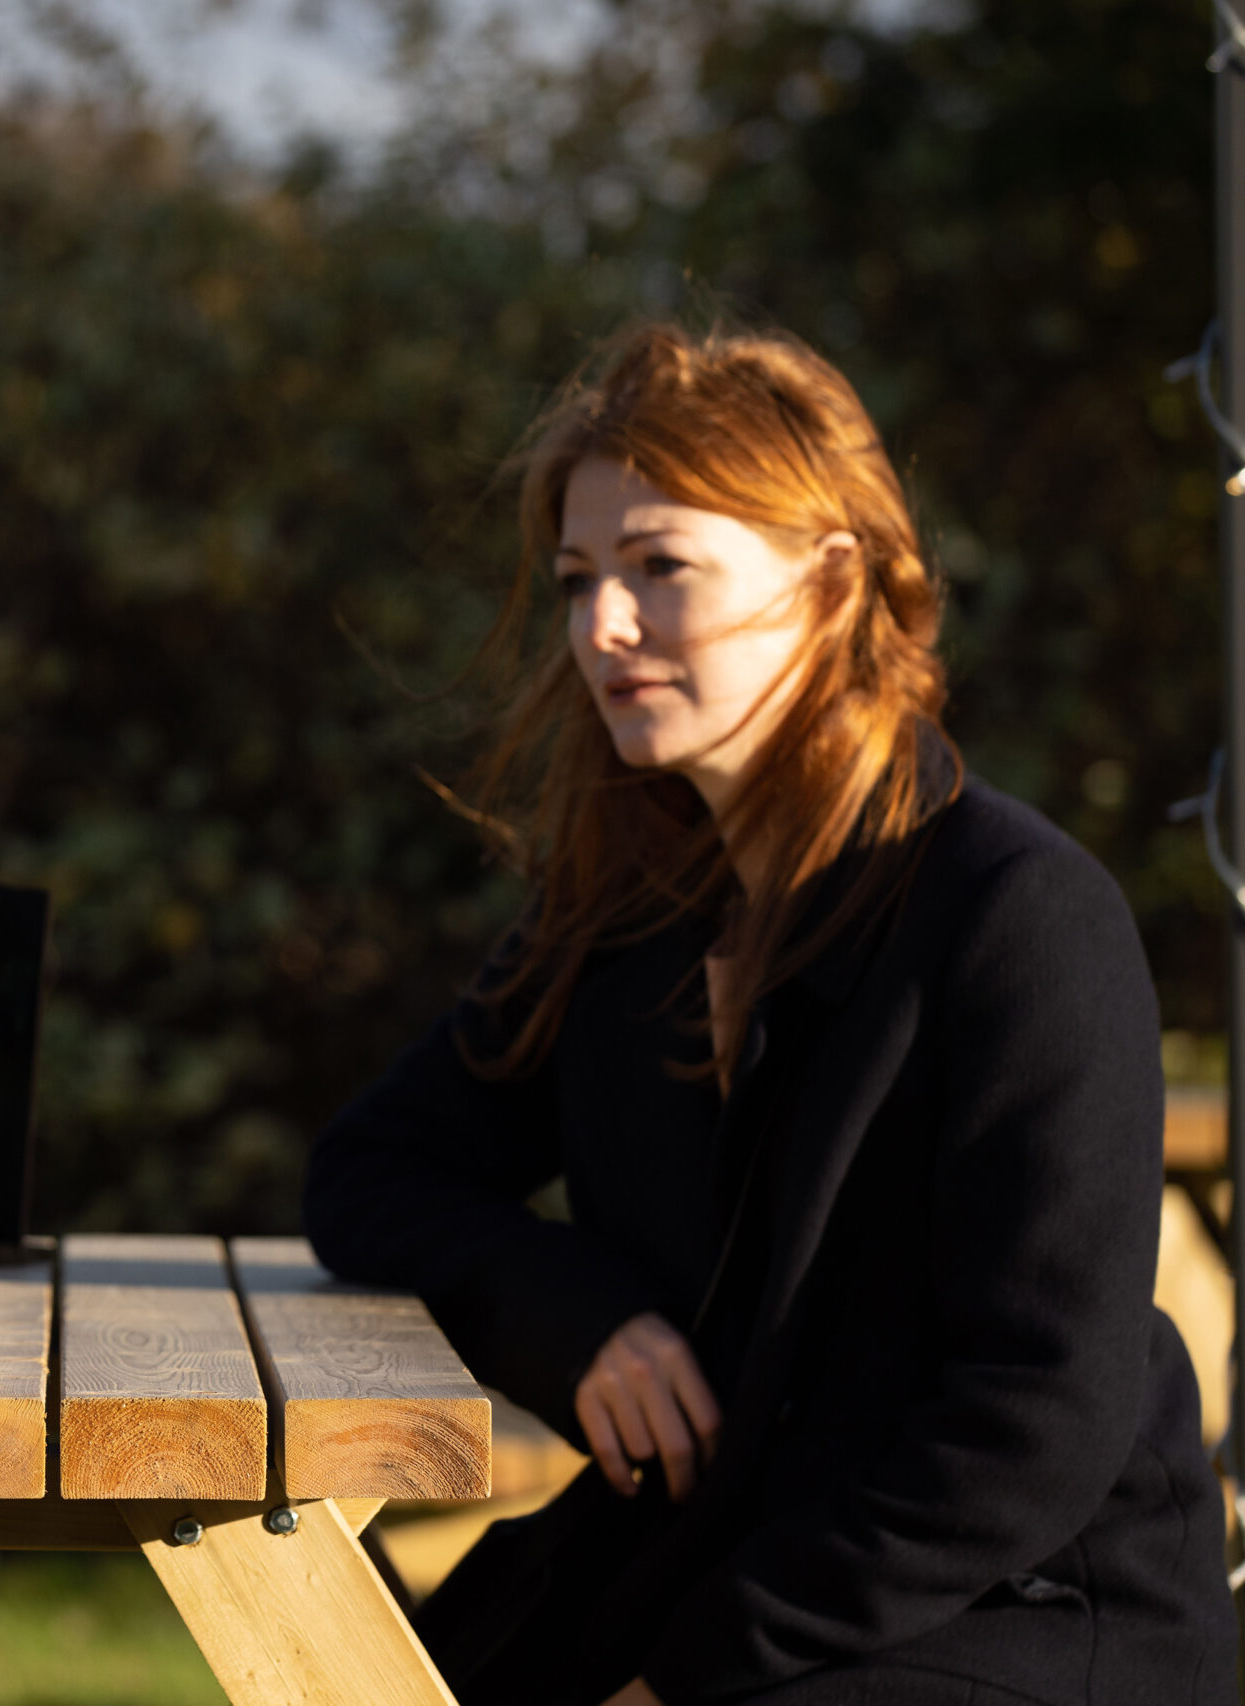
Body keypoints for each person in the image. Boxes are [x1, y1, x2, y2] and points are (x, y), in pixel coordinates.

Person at [305, 324, 1236, 1704]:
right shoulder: (624, 922)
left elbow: (1038, 1417)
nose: (602, 628)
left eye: (660, 567)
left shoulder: (1020, 917)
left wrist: (686, 1679)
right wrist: (579, 1313)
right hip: (712, 1560)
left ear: (832, 577)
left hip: (1009, 1612)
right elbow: (372, 1171)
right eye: (579, 581)